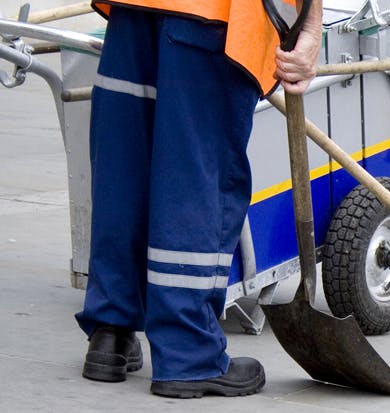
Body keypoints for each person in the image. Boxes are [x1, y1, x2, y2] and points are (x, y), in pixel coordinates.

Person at [74, 0, 323, 398]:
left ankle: (110, 331)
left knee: (124, 166)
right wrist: (309, 27)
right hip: (211, 17)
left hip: (135, 10)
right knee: (195, 174)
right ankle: (187, 352)